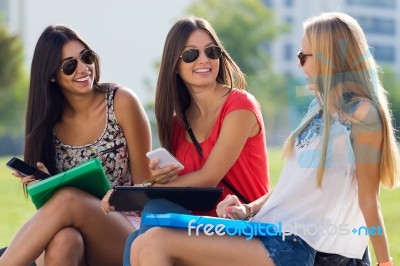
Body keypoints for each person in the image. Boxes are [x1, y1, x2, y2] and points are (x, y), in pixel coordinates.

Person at [129, 12, 399, 266]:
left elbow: (368, 200)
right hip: (269, 229)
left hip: (293, 243)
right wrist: (247, 209)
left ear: (330, 58)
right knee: (141, 244)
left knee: (154, 241)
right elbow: (289, 190)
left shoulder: (362, 113)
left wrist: (385, 261)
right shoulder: (320, 114)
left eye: (305, 56)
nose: (299, 63)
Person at [109, 16, 271, 265]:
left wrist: (143, 191)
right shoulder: (177, 124)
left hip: (241, 226)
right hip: (198, 227)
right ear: (175, 65)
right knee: (136, 239)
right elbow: (185, 189)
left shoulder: (240, 105)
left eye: (211, 51)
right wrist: (162, 178)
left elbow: (208, 178)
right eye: (190, 55)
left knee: (153, 215)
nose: (203, 60)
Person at [0, 24, 151, 266]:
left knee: (69, 198)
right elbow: (56, 212)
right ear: (52, 75)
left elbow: (145, 191)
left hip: (129, 230)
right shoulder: (48, 124)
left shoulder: (121, 102)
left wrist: (104, 199)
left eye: (86, 57)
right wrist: (47, 184)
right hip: (77, 233)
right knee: (64, 240)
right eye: (70, 65)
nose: (83, 68)